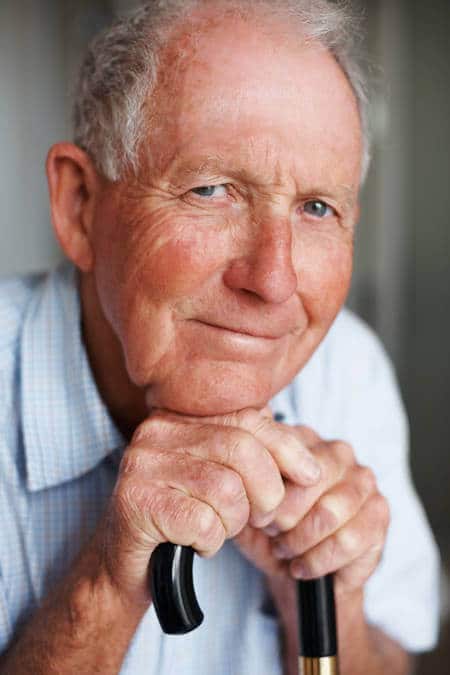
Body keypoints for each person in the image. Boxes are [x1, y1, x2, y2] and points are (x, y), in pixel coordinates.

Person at [0, 1, 439, 673]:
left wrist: (325, 604)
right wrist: (103, 587)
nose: (272, 278)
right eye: (211, 190)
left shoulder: (348, 368)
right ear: (80, 206)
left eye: (317, 207)